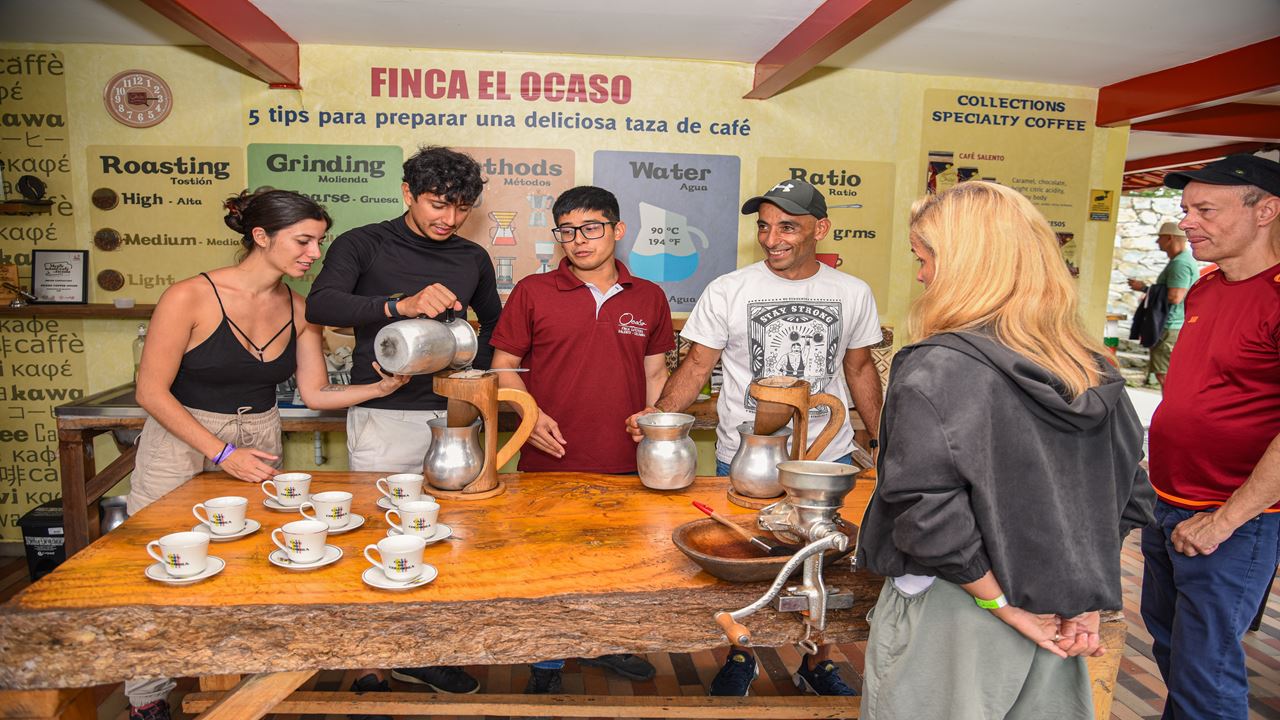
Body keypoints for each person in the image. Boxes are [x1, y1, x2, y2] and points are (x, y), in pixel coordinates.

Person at [855, 181, 1153, 719]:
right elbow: (1129, 493)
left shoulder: (937, 367)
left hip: (956, 610)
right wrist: (1081, 598)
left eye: (923, 259)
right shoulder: (1092, 365)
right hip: (1059, 609)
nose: (920, 275)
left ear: (967, 267)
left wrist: (1001, 604)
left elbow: (925, 512)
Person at [126, 189, 410, 720]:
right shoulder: (189, 296)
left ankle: (240, 685)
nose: (313, 254)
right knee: (163, 568)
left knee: (248, 564)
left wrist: (379, 389)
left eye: (318, 242)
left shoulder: (300, 309)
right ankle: (148, 697)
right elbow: (151, 392)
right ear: (260, 236)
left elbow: (317, 394)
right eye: (303, 241)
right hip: (183, 439)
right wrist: (222, 451)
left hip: (258, 434)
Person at [627, 178, 884, 697]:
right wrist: (657, 416)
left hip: (825, 461)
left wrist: (885, 441)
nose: (772, 238)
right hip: (745, 459)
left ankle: (818, 660)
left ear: (821, 229)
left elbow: (859, 370)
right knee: (747, 562)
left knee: (825, 565)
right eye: (764, 227)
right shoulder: (729, 288)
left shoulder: (851, 292)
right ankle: (740, 655)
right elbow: (698, 363)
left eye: (787, 226)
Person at [306, 146, 500, 701]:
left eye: (461, 207)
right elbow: (322, 306)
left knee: (445, 538)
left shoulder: (471, 256)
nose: (450, 219)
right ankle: (372, 668)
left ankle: (430, 656)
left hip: (453, 414)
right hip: (383, 414)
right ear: (408, 194)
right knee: (380, 535)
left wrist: (468, 355)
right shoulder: (363, 243)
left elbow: (497, 322)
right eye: (439, 204)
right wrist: (401, 305)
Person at [489, 185, 672, 692]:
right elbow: (503, 368)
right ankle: (547, 659)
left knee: (619, 564)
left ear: (618, 230)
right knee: (546, 565)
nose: (579, 240)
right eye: (567, 231)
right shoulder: (532, 291)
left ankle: (609, 644)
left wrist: (653, 416)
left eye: (591, 228)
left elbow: (655, 373)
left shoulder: (649, 297)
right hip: (551, 456)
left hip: (624, 457)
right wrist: (531, 414)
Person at [1141, 153, 1280, 719]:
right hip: (1168, 504)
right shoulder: (1206, 285)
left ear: (1265, 210)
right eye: (1186, 210)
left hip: (1231, 522)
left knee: (1205, 674)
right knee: (1175, 656)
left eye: (1205, 210)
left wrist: (1225, 521)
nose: (1189, 222)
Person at [1126, 221, 1196, 386]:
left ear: (1170, 238)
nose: (1157, 242)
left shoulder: (1180, 264)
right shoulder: (1181, 261)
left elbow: (1175, 296)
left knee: (1164, 375)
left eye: (1160, 238)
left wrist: (1145, 289)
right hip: (1172, 325)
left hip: (1170, 326)